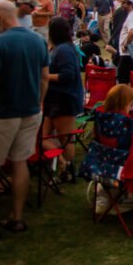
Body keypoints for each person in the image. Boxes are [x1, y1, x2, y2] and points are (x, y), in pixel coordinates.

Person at [0, 0, 50, 241]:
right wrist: (40, 101)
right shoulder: (37, 39)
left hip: (3, 111)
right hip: (31, 110)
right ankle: (16, 217)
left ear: (1, 19)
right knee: (20, 161)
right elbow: (45, 77)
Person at [41, 17, 84, 182]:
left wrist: (45, 76)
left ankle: (66, 169)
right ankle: (62, 163)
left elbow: (68, 75)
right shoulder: (59, 48)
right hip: (54, 98)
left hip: (65, 99)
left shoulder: (64, 50)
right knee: (44, 138)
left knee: (65, 139)